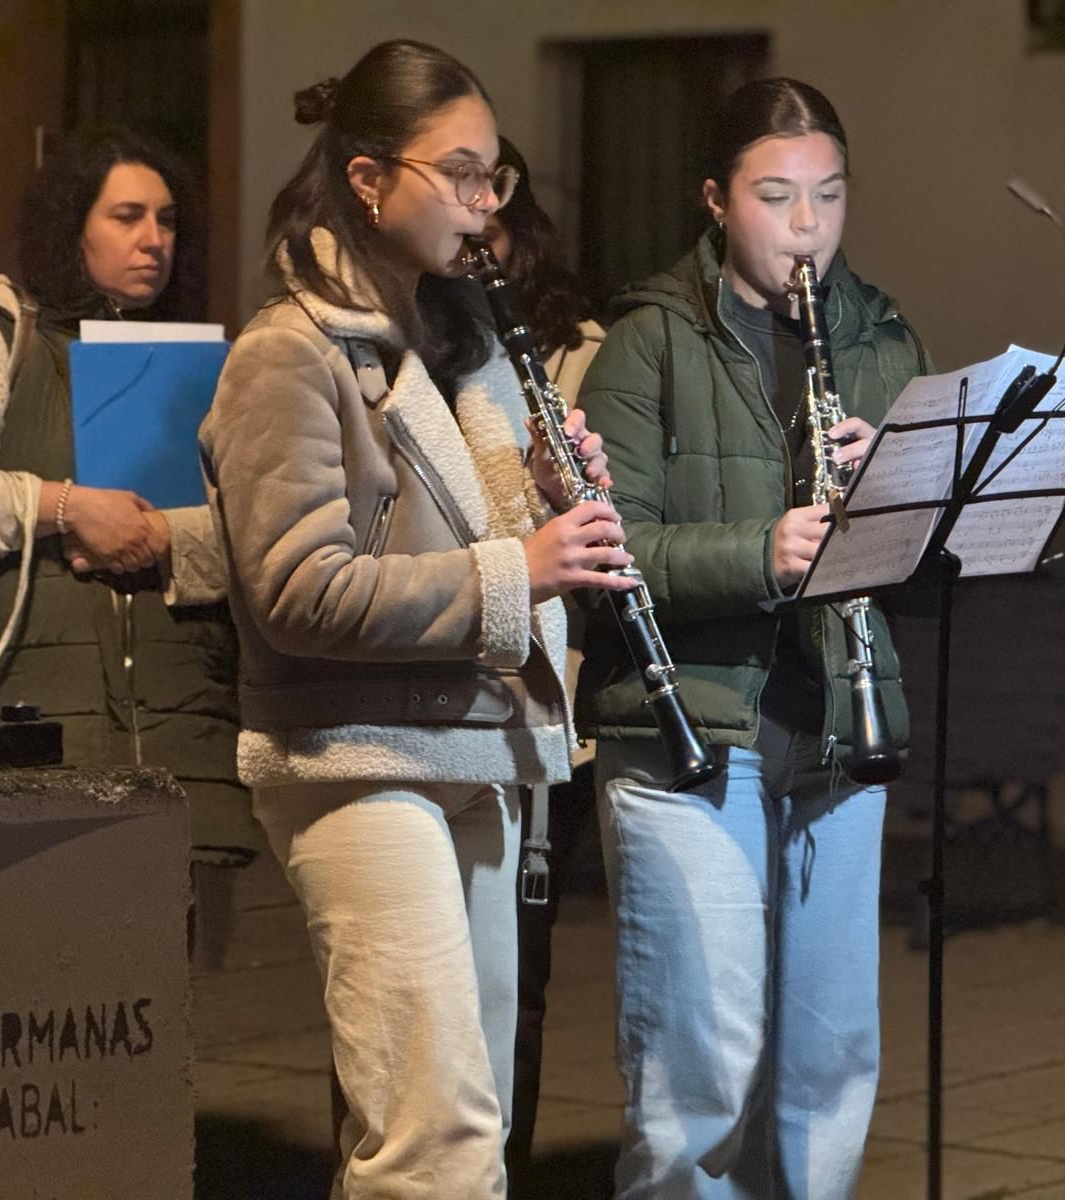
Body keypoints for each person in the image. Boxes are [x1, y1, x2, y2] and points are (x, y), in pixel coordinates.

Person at [196, 40, 632, 1197]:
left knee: (469, 1126)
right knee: (426, 1134)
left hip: (470, 746)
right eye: (463, 174)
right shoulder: (284, 356)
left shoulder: (459, 352)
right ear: (369, 177)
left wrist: (540, 492)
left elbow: (455, 533)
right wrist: (518, 569)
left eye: (496, 180)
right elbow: (297, 591)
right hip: (351, 762)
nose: (486, 208)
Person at [575, 77, 928, 1197]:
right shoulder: (647, 343)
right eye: (776, 197)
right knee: (702, 1063)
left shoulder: (877, 335)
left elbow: (918, 568)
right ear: (716, 202)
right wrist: (763, 554)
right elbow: (610, 552)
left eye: (827, 196)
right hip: (691, 730)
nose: (806, 226)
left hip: (838, 722)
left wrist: (897, 502)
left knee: (831, 1054)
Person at [0, 125, 259, 969]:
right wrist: (67, 506)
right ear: (72, 224)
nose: (154, 238)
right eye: (127, 216)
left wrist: (163, 536)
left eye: (167, 218)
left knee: (167, 1011)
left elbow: (255, 534)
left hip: (181, 726)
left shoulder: (195, 362)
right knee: (37, 995)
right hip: (37, 715)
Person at [478, 136, 606, 1188]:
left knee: (519, 973)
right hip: (440, 690)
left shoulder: (574, 351)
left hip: (544, 702)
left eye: (494, 220)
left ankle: (507, 1166)